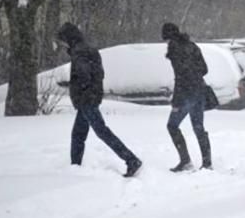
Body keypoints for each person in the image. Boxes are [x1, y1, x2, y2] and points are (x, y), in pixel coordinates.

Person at [57, 22, 142, 178]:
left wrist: (76, 86)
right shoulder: (88, 49)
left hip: (86, 99)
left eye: (63, 41)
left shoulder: (79, 52)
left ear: (69, 38)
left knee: (101, 132)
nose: (62, 45)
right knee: (78, 134)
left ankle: (131, 159)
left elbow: (84, 75)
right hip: (91, 97)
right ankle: (75, 167)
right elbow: (98, 74)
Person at [162, 22, 212, 171]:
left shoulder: (175, 49)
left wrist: (176, 99)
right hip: (199, 91)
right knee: (198, 127)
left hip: (186, 94)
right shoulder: (192, 46)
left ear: (169, 37)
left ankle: (185, 160)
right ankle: (207, 163)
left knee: (172, 126)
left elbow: (180, 76)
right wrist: (195, 75)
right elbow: (204, 69)